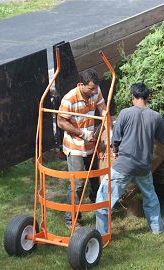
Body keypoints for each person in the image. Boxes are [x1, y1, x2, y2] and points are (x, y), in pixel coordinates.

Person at [95, 82, 164, 235]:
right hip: (144, 167)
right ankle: (157, 229)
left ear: (133, 97)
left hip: (124, 166)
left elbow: (116, 139)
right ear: (147, 97)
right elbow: (163, 139)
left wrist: (115, 151)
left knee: (103, 198)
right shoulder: (156, 117)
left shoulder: (124, 113)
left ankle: (101, 234)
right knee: (150, 198)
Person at [57, 69, 106, 227]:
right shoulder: (69, 99)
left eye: (95, 88)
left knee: (95, 178)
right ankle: (71, 219)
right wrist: (82, 133)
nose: (94, 92)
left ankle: (96, 204)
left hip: (91, 144)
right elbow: (61, 122)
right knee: (77, 184)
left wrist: (106, 136)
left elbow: (103, 111)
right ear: (80, 85)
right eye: (90, 88)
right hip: (75, 147)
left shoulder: (95, 93)